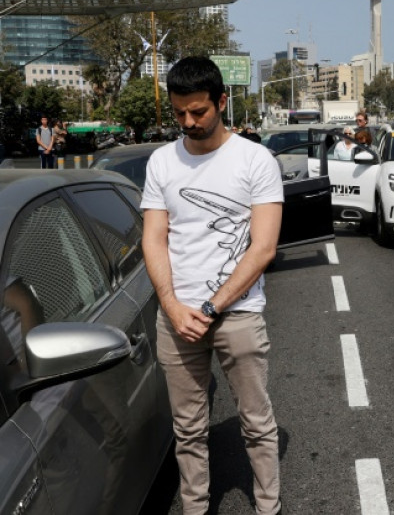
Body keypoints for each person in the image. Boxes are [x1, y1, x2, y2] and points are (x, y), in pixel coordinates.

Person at [140, 56, 283, 515]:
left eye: (198, 111)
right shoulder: (162, 162)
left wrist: (211, 308)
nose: (188, 122)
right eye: (179, 113)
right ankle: (196, 508)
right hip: (177, 318)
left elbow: (263, 247)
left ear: (221, 102)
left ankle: (269, 506)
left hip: (237, 314)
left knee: (256, 422)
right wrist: (171, 306)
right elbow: (153, 237)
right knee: (187, 429)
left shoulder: (255, 160)